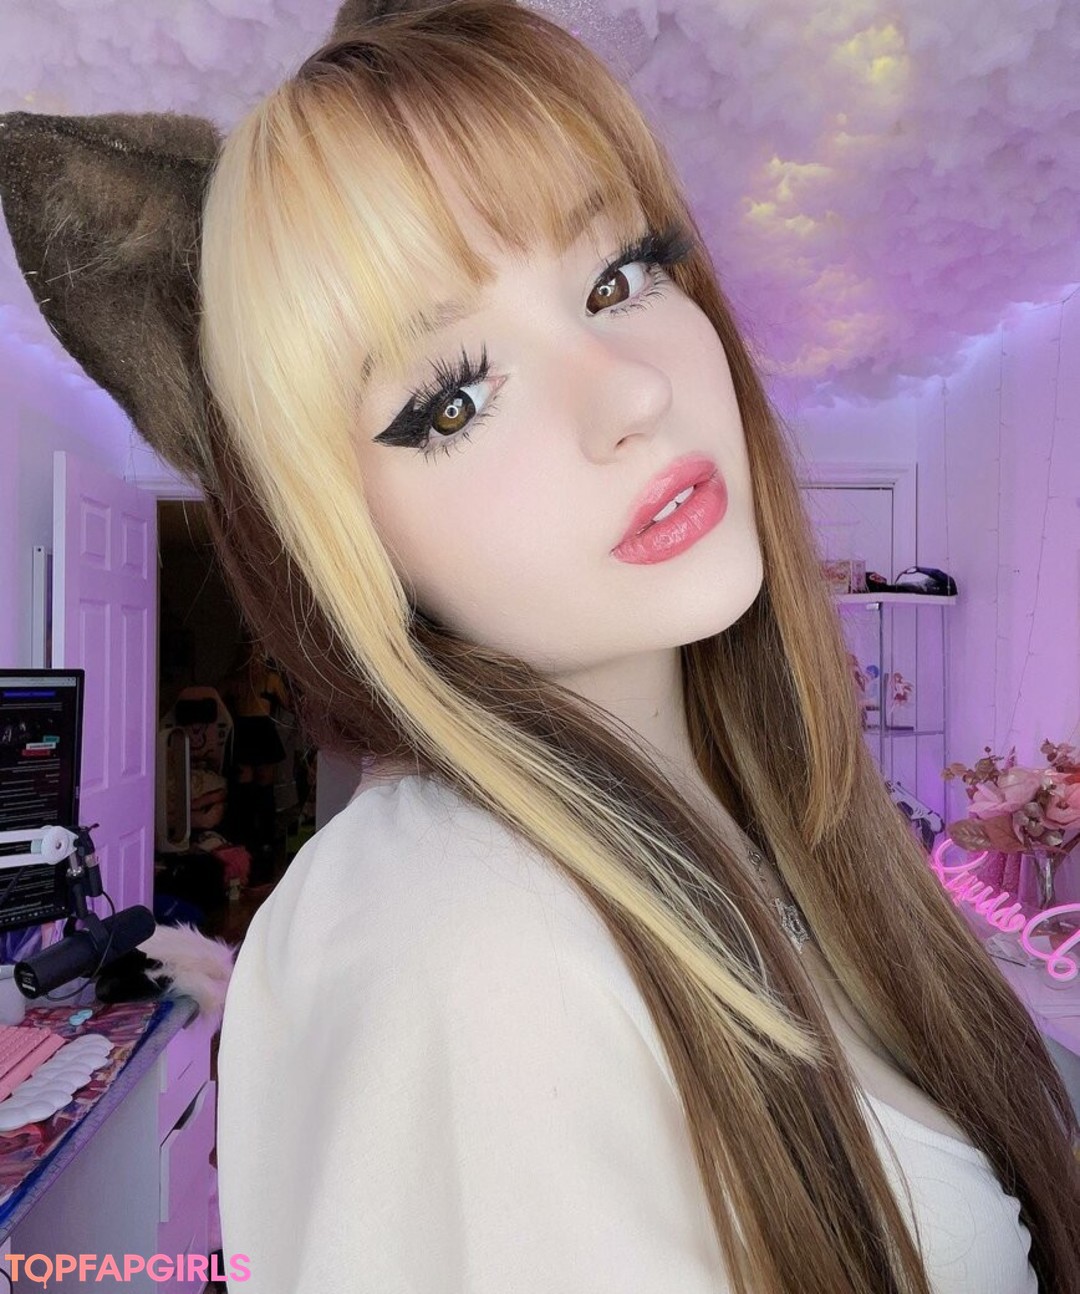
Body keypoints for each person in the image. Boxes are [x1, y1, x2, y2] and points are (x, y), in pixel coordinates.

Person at [1, 2, 1079, 1290]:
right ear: (332, 536)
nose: (632, 389)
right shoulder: (455, 941)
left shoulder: (757, 823)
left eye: (620, 274)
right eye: (453, 398)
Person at [219, 640, 290, 883]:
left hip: (256, 731)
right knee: (251, 787)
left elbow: (288, 704)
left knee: (259, 786)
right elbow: (216, 697)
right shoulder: (245, 679)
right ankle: (253, 839)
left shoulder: (265, 679)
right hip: (250, 730)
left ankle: (260, 839)